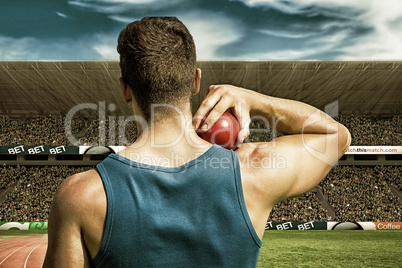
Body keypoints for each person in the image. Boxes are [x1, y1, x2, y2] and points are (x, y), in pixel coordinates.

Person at [43, 17, 351, 267]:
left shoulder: (80, 196)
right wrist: (254, 101)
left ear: (125, 89)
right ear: (195, 81)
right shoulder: (252, 172)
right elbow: (335, 136)